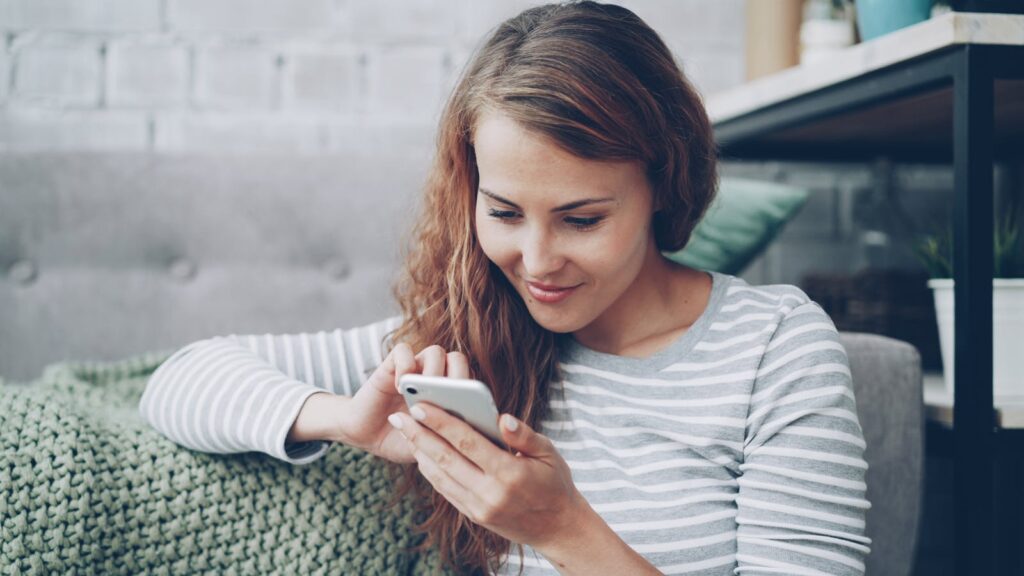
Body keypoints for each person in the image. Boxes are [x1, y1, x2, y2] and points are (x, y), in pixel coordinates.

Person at [138, 2, 871, 574]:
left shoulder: (774, 349)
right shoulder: (470, 331)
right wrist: (343, 419)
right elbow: (178, 382)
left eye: (581, 219)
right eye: (505, 213)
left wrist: (564, 530)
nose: (537, 260)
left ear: (662, 182)